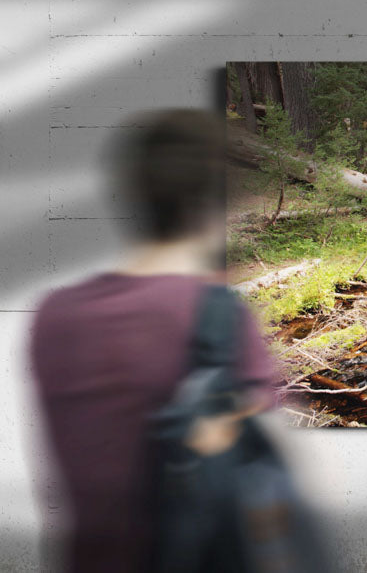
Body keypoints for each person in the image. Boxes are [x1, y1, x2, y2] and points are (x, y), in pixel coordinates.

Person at [30, 110, 276, 572]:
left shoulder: (53, 315)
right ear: (217, 201)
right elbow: (276, 479)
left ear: (133, 196)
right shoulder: (217, 316)